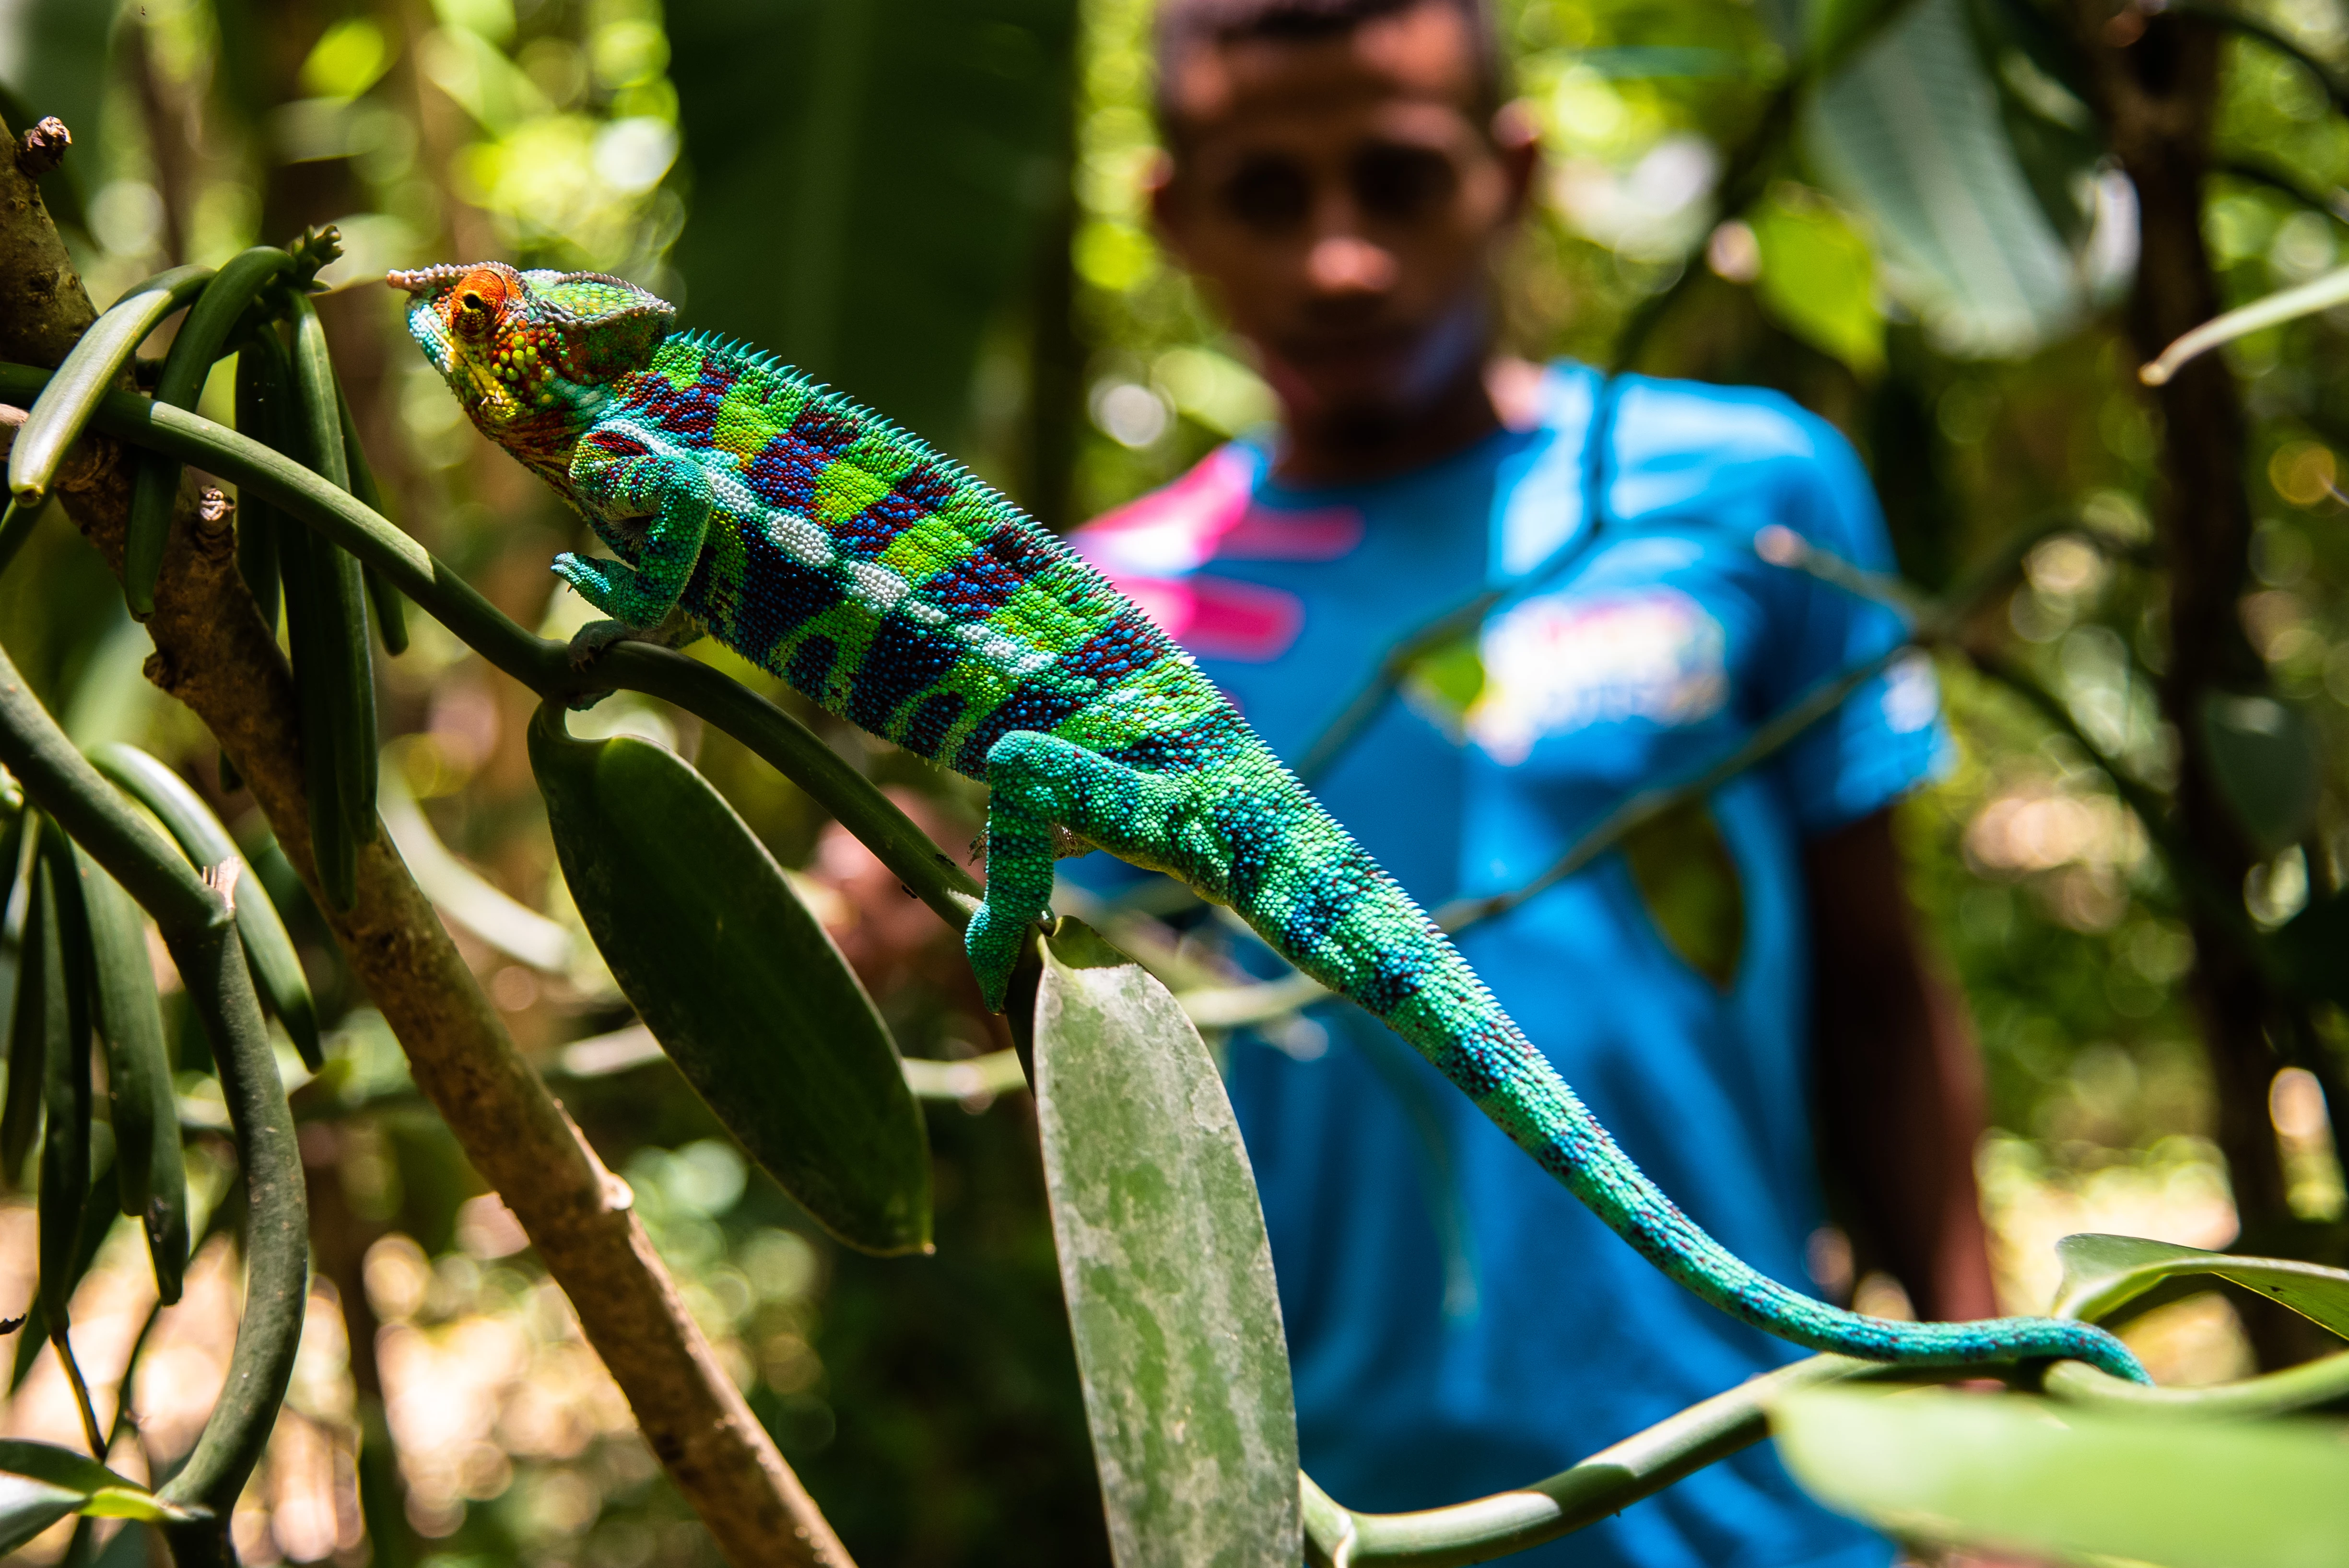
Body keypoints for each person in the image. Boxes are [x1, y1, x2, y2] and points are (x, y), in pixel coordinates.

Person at [1060, 1, 2000, 1563]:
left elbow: (1878, 984)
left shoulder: (1747, 487)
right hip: (1336, 1519)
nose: (1340, 262)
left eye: (1401, 178)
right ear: (1172, 217)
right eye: (1266, 195)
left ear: (1513, 176)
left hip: (1766, 1492)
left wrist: (1983, 1414)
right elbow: (1090, 1047)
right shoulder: (1111, 613)